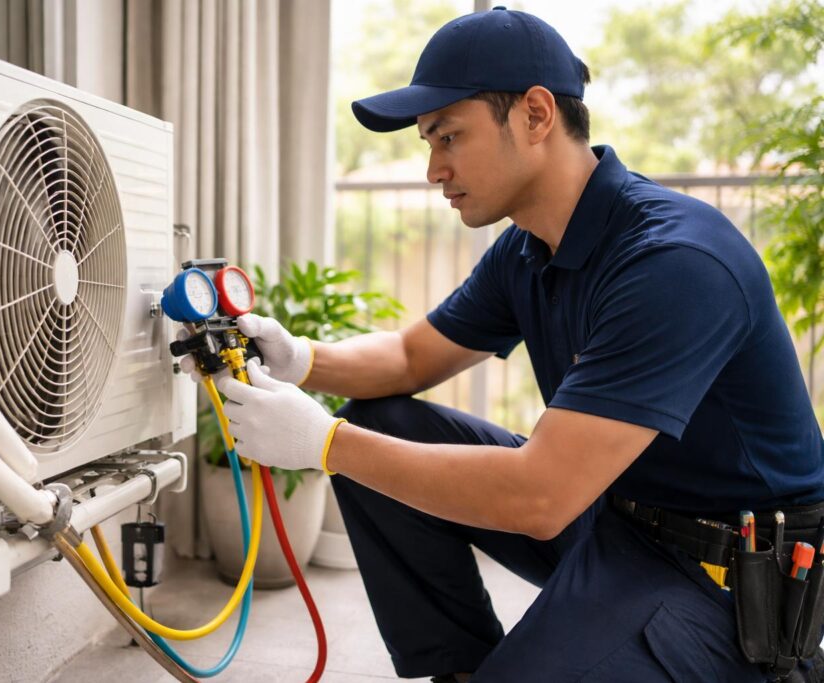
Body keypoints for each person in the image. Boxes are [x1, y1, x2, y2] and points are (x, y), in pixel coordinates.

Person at [188, 7, 824, 681]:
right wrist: (301, 358)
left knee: (360, 446)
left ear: (536, 115)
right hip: (616, 517)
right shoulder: (527, 249)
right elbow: (410, 358)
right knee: (383, 418)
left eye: (449, 137)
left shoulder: (674, 262)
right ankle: (460, 667)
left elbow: (541, 498)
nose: (434, 168)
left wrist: (323, 447)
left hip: (732, 579)